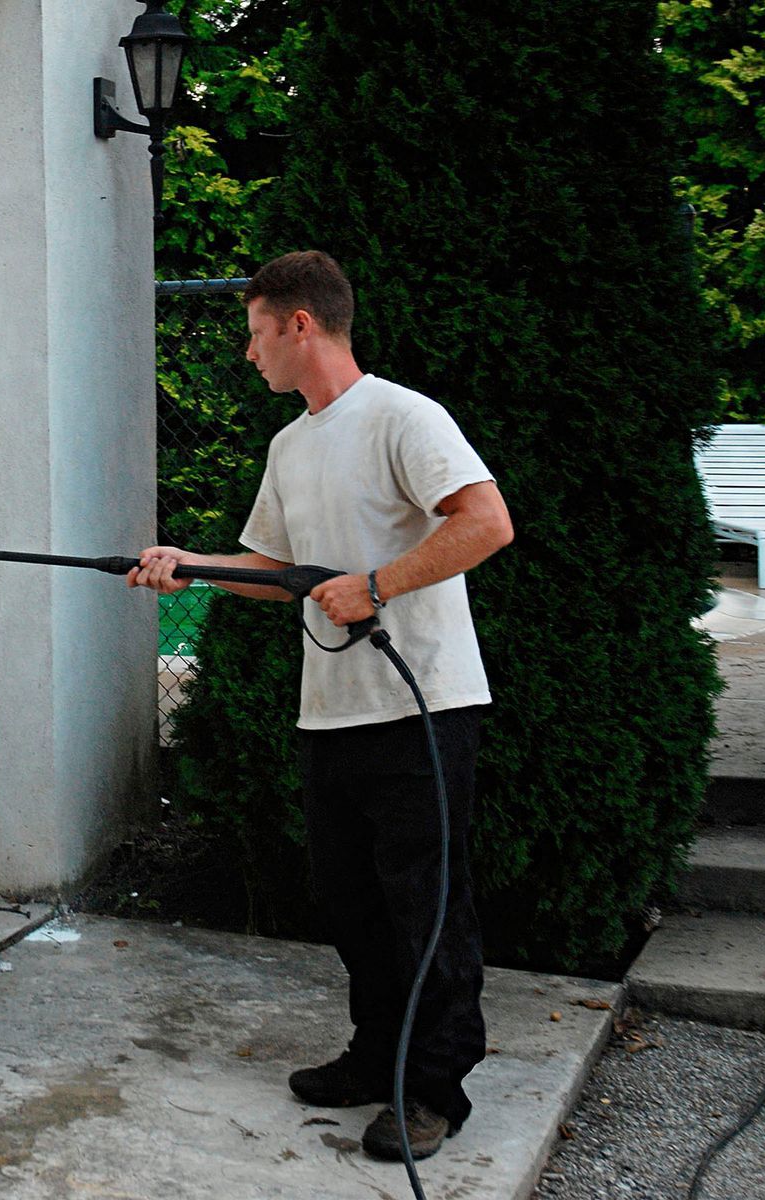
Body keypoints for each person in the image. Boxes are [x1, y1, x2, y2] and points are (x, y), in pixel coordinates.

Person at [128, 250, 513, 1161]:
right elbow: (276, 571)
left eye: (255, 332)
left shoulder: (403, 418)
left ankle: (432, 1092)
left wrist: (376, 585)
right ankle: (376, 1056)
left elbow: (486, 521)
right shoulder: (291, 444)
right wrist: (191, 565)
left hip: (422, 709)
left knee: (426, 904)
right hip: (331, 715)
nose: (248, 353)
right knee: (351, 902)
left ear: (300, 324)